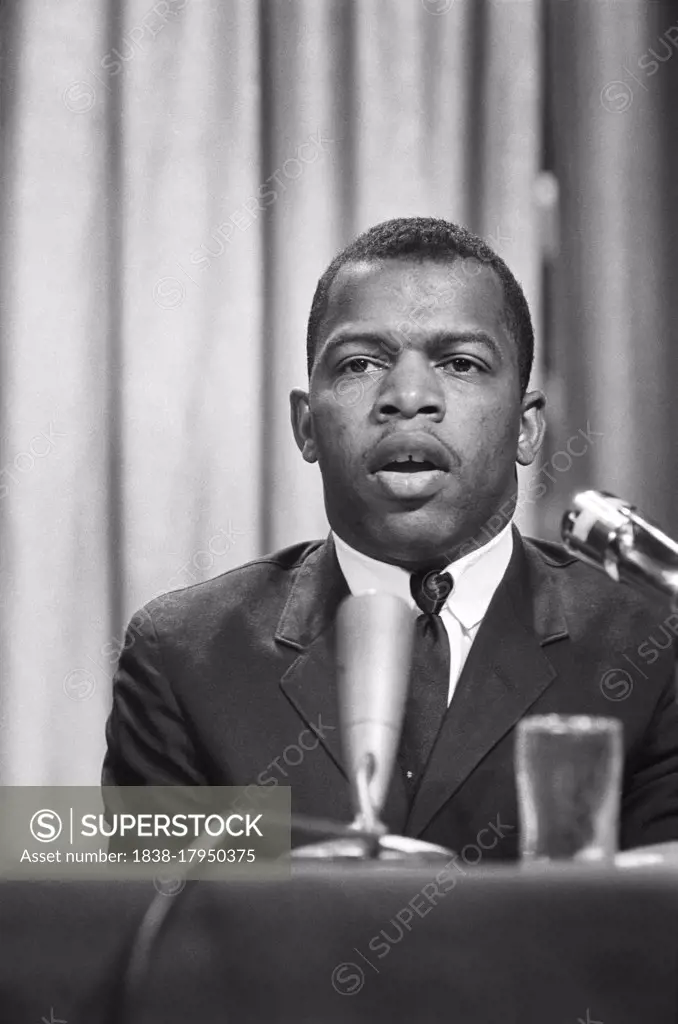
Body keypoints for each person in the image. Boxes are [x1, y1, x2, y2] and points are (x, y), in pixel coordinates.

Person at [102, 217, 678, 859]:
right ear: (306, 425)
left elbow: (653, 936)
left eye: (460, 363)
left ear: (526, 428)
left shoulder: (650, 646)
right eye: (360, 364)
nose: (407, 397)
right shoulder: (184, 656)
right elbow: (156, 935)